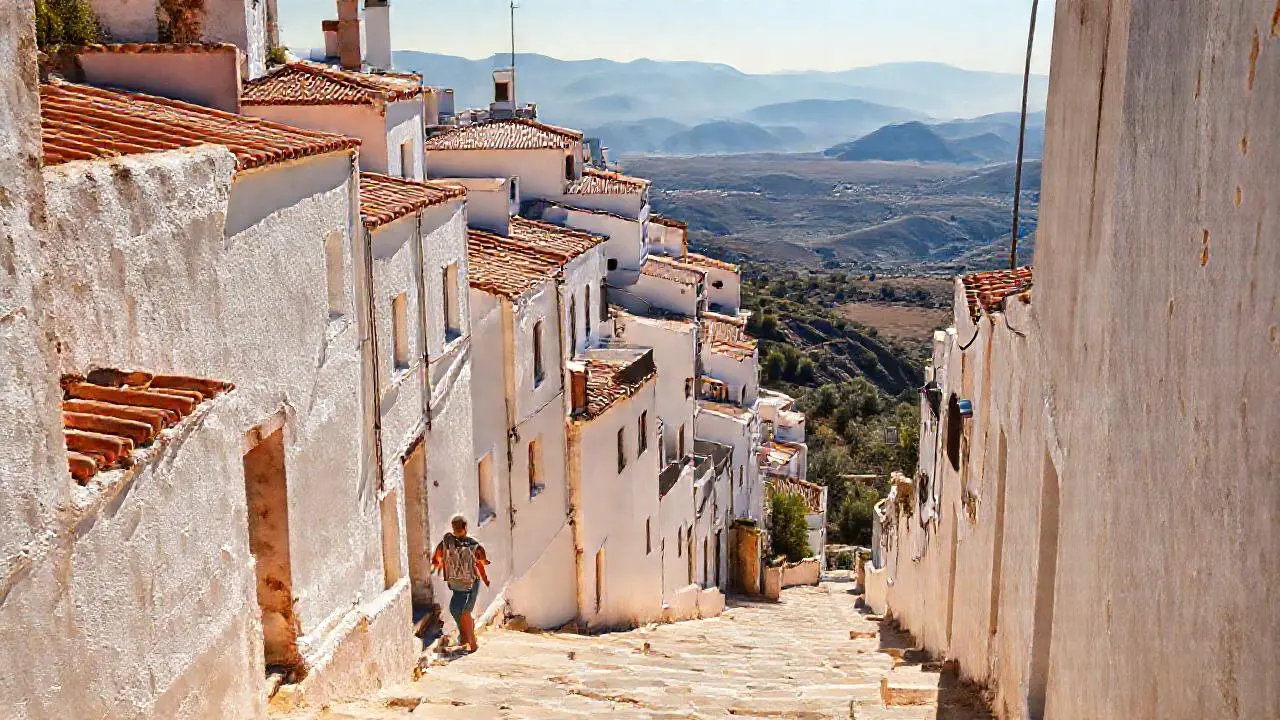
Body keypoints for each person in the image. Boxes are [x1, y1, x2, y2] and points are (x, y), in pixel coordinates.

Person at [431, 514, 490, 652]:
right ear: (465, 528)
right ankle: (465, 636)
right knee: (455, 610)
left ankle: (472, 643)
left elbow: (436, 559)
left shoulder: (451, 543)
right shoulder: (471, 545)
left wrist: (440, 564)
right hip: (460, 585)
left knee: (464, 612)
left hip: (467, 585)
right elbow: (482, 563)